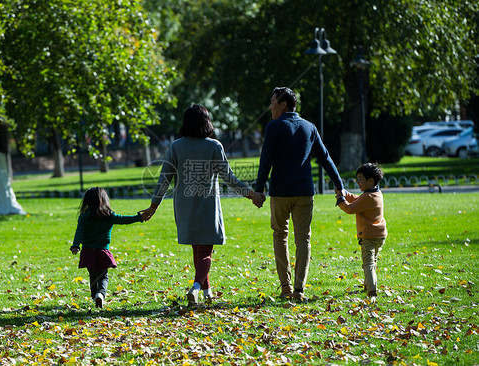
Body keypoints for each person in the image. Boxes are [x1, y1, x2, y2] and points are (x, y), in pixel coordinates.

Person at [140, 104, 265, 306]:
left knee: (198, 249)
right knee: (206, 251)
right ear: (207, 122)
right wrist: (251, 195)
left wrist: (153, 206)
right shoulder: (214, 146)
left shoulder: (176, 146)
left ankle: (206, 293)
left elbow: (164, 179)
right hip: (207, 205)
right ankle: (196, 287)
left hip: (184, 206)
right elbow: (230, 179)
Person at [254, 87, 345, 301]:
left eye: (273, 102)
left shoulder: (274, 127)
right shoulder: (309, 127)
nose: (270, 107)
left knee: (280, 235)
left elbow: (265, 160)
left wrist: (259, 190)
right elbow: (325, 157)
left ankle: (285, 286)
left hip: (281, 192)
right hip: (305, 191)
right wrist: (338, 183)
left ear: (283, 104)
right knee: (303, 238)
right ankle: (299, 289)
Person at [70, 187, 144, 308]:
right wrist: (139, 217)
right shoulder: (108, 216)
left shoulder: (84, 216)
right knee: (103, 276)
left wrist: (75, 245)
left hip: (88, 252)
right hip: (102, 251)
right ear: (104, 200)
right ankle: (101, 295)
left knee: (93, 275)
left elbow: (79, 232)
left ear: (87, 201)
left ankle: (95, 297)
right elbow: (124, 219)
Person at [335, 163, 387, 301]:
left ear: (370, 181)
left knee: (368, 264)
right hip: (379, 235)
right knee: (372, 261)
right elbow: (359, 200)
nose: (358, 182)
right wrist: (346, 194)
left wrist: (341, 200)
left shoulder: (367, 197)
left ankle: (372, 291)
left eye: (360, 180)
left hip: (369, 236)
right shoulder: (376, 193)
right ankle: (368, 286)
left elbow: (351, 208)